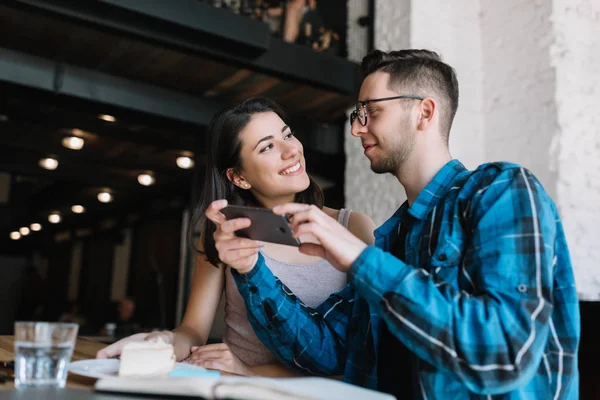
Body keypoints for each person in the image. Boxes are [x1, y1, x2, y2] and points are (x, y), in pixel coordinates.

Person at [206, 50, 580, 398]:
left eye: (370, 111)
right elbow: (327, 353)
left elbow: (505, 353)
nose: (356, 128)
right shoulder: (390, 240)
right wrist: (252, 269)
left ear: (424, 112)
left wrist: (359, 258)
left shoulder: (500, 190)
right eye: (358, 114)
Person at [97, 97, 376, 377]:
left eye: (288, 134)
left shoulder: (353, 227)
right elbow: (193, 330)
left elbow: (360, 353)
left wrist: (251, 370)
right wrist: (162, 342)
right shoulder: (228, 232)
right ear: (239, 177)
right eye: (267, 146)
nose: (291, 150)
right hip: (240, 390)